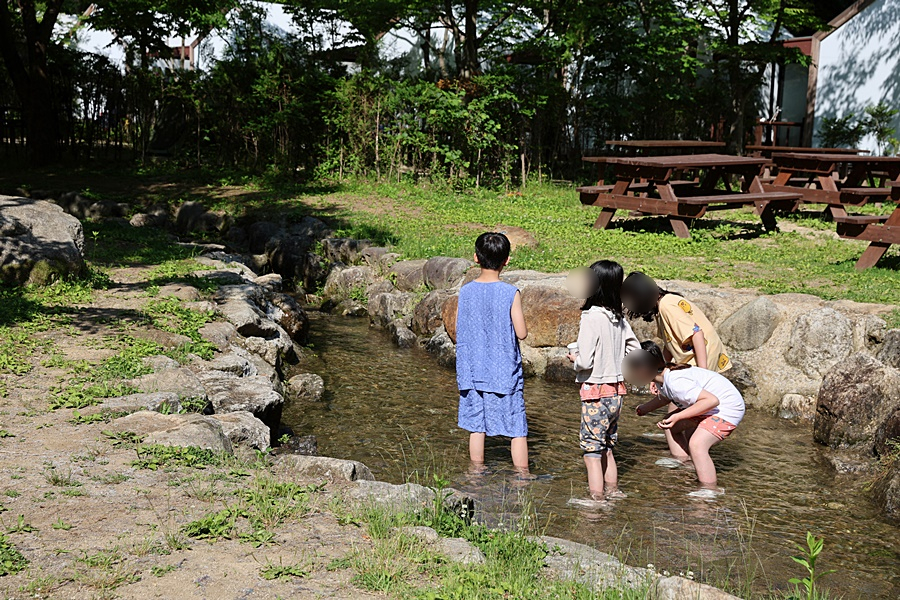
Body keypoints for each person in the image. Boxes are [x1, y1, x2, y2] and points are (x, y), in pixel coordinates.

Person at [453, 232, 530, 475]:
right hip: (503, 372)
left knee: (477, 426)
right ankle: (522, 477)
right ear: (507, 260)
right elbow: (522, 333)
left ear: (475, 257)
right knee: (517, 428)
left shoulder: (465, 292)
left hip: (473, 371)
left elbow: (458, 328)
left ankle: (476, 475)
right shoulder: (510, 293)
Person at [566, 260, 639, 507]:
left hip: (595, 393)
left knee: (591, 451)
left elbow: (585, 361)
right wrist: (618, 361)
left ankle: (596, 499)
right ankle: (614, 492)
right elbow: (635, 349)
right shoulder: (618, 318)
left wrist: (574, 358)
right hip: (616, 392)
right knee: (607, 446)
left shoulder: (591, 317)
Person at [628, 341, 745, 493]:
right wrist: (645, 408)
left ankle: (709, 489)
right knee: (671, 426)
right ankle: (684, 462)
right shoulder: (662, 377)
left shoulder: (676, 381)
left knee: (697, 445)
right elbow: (665, 397)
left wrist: (678, 416)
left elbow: (711, 400)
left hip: (727, 408)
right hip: (711, 406)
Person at [621, 272, 730, 373]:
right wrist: (660, 371)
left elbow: (697, 333)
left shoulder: (666, 306)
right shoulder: (662, 306)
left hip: (702, 358)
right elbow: (669, 344)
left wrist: (703, 373)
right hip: (696, 358)